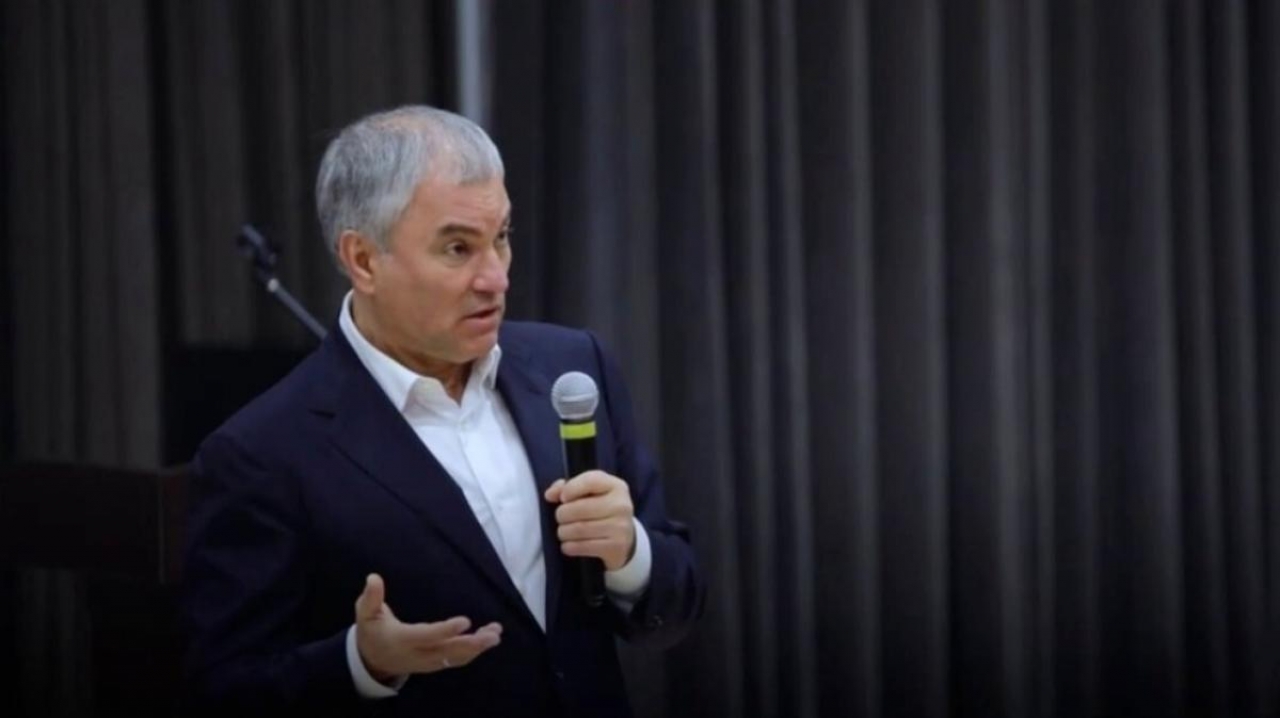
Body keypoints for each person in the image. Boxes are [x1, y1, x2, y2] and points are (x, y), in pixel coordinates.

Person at [178, 105, 705, 717]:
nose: (495, 279)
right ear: (363, 260)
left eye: (501, 237)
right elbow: (225, 690)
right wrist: (361, 663)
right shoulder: (262, 453)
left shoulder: (573, 369)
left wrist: (630, 556)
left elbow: (678, 600)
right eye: (458, 248)